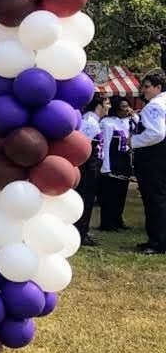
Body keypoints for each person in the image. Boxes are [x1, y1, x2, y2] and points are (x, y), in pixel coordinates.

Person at [132, 69, 166, 254]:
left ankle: (157, 242)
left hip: (154, 157)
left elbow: (156, 133)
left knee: (154, 200)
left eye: (146, 87)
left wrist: (134, 141)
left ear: (158, 87)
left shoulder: (154, 105)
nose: (143, 90)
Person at [75, 94, 108, 246]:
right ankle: (80, 233)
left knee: (89, 200)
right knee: (85, 199)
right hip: (87, 167)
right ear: (99, 105)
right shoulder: (89, 121)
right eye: (107, 103)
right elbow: (81, 146)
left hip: (94, 165)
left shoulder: (95, 120)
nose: (110, 106)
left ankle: (84, 230)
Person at [98, 96, 133, 232]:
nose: (126, 109)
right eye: (123, 107)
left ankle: (118, 219)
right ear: (116, 108)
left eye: (127, 106)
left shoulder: (126, 122)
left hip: (124, 161)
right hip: (113, 160)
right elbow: (105, 145)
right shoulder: (107, 123)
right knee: (110, 194)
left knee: (121, 193)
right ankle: (107, 222)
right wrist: (106, 166)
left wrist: (133, 115)